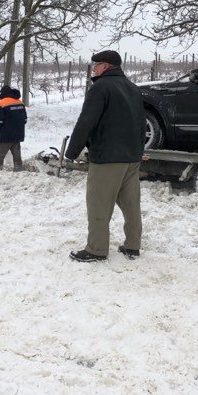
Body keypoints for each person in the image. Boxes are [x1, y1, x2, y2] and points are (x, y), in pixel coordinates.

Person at [66, 50, 146, 262]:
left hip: (107, 158)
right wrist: (139, 152)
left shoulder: (100, 88)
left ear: (107, 65)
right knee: (131, 204)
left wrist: (72, 151)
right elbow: (141, 124)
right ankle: (132, 246)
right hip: (132, 158)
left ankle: (96, 249)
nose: (94, 68)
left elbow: (86, 121)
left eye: (96, 64)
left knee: (98, 203)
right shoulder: (134, 89)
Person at [0, 85, 27, 171]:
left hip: (4, 136)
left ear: (3, 94)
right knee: (17, 156)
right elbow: (25, 119)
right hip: (18, 135)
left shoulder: (1, 104)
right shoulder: (20, 103)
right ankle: (18, 171)